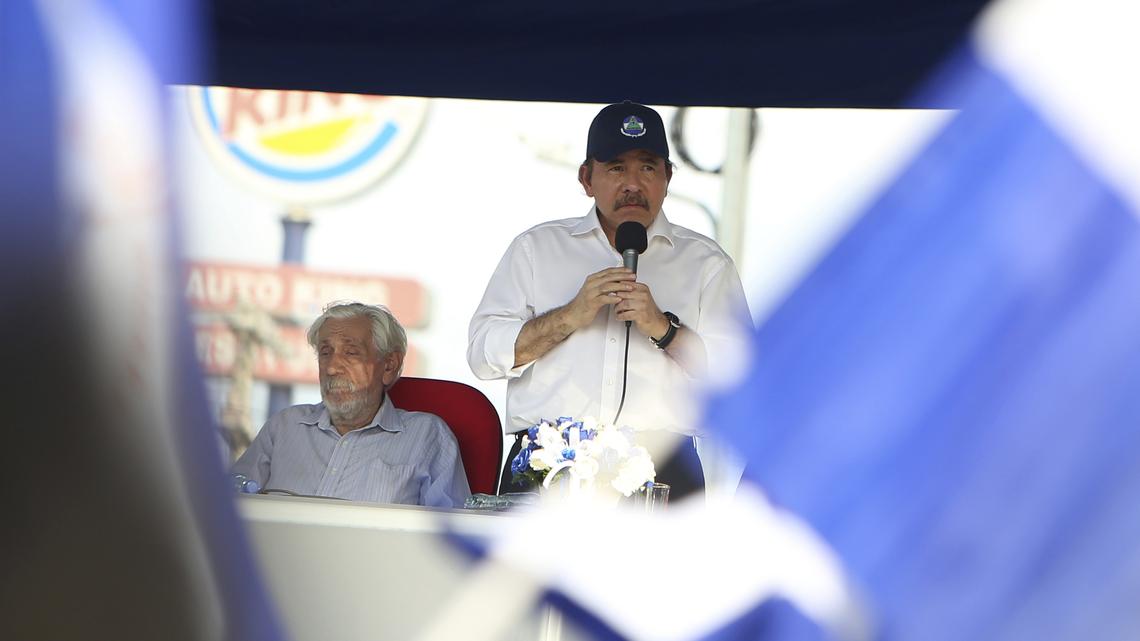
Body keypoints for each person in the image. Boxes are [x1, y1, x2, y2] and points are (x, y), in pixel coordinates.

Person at [468, 101, 752, 498]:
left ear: (668, 177)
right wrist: (568, 317)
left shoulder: (706, 263)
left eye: (648, 167)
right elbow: (482, 355)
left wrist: (664, 329)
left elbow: (737, 378)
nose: (633, 183)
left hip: (664, 468)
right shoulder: (537, 248)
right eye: (616, 168)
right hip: (547, 463)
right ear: (586, 178)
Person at [232, 301, 470, 508]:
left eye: (351, 352)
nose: (332, 367)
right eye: (325, 352)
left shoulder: (427, 436)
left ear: (388, 366)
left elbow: (453, 546)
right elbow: (225, 511)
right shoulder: (284, 427)